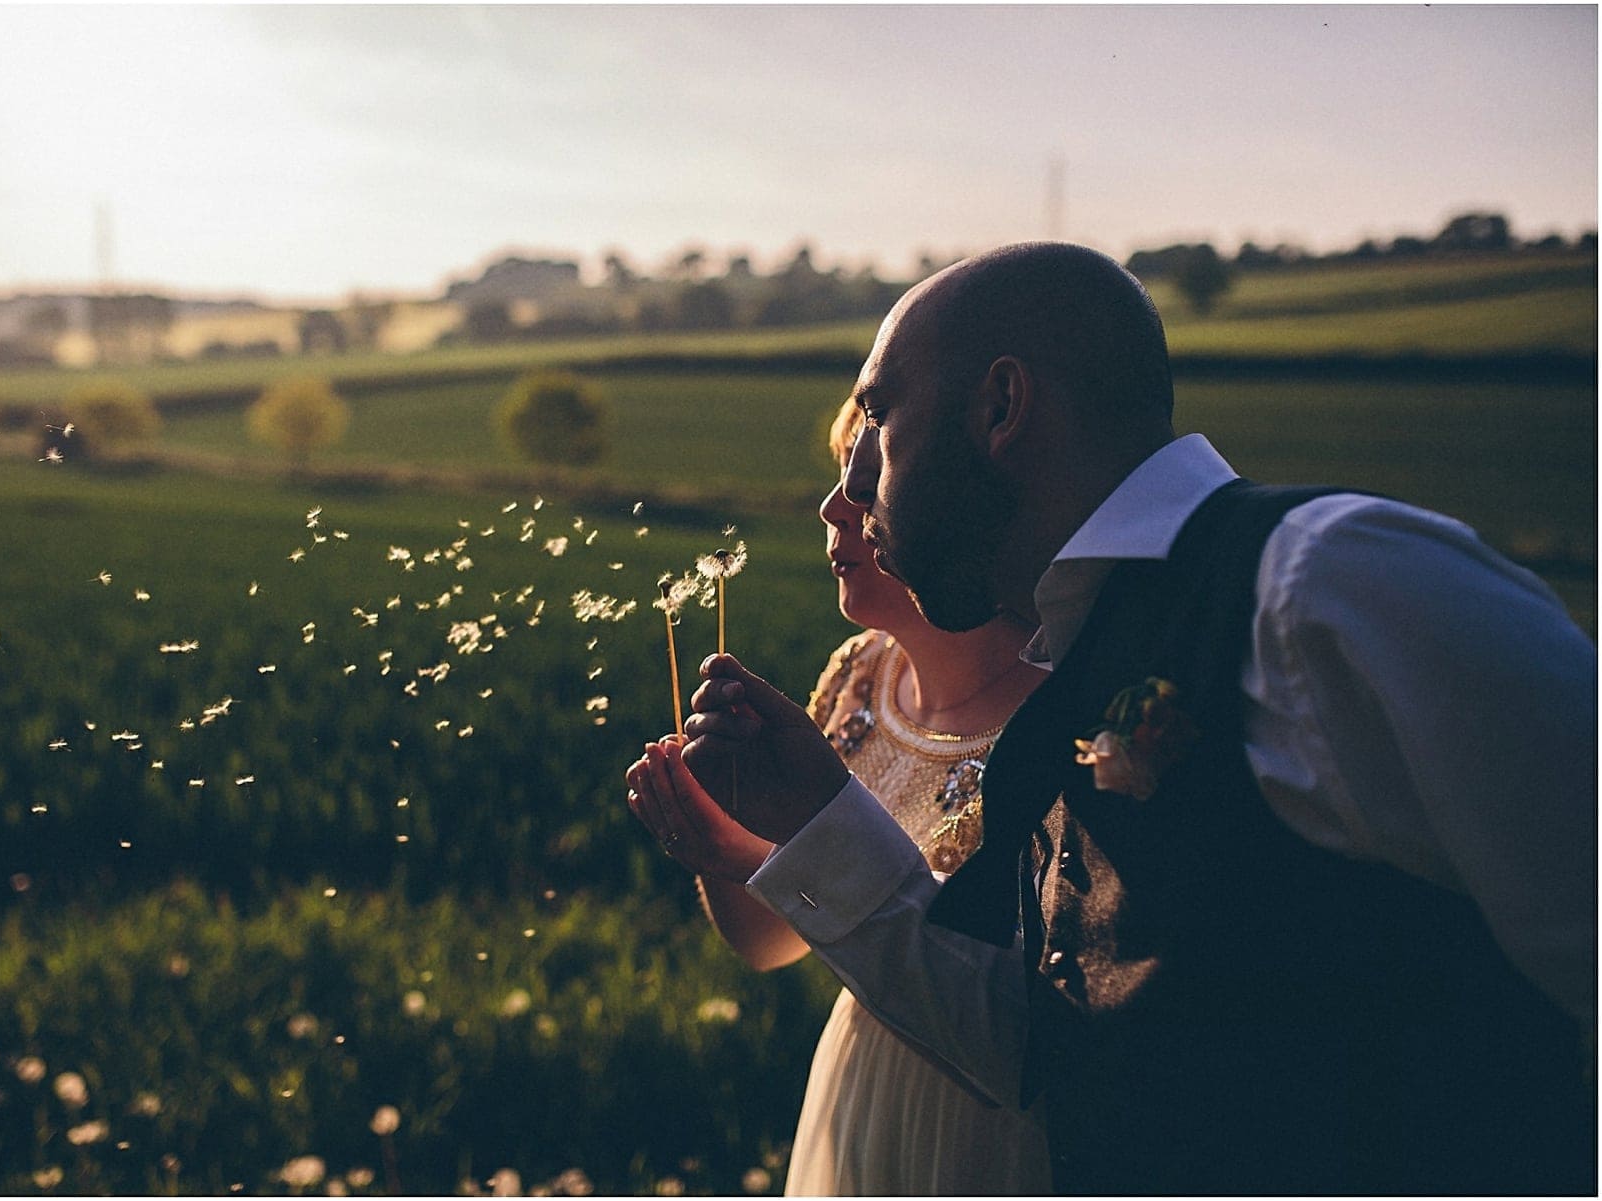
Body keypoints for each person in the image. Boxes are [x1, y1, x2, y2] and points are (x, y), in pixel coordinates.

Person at [648, 242, 1597, 1194]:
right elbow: (1049, 1042)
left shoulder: (1324, 587)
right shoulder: (1081, 654)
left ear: (1001, 407)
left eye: (880, 417)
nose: (853, 482)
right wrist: (820, 819)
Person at [626, 398, 1051, 1195]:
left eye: (870, 481)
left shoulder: (1069, 714)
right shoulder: (862, 676)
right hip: (864, 1085)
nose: (832, 509)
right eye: (838, 477)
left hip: (992, 1125)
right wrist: (718, 844)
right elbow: (771, 942)